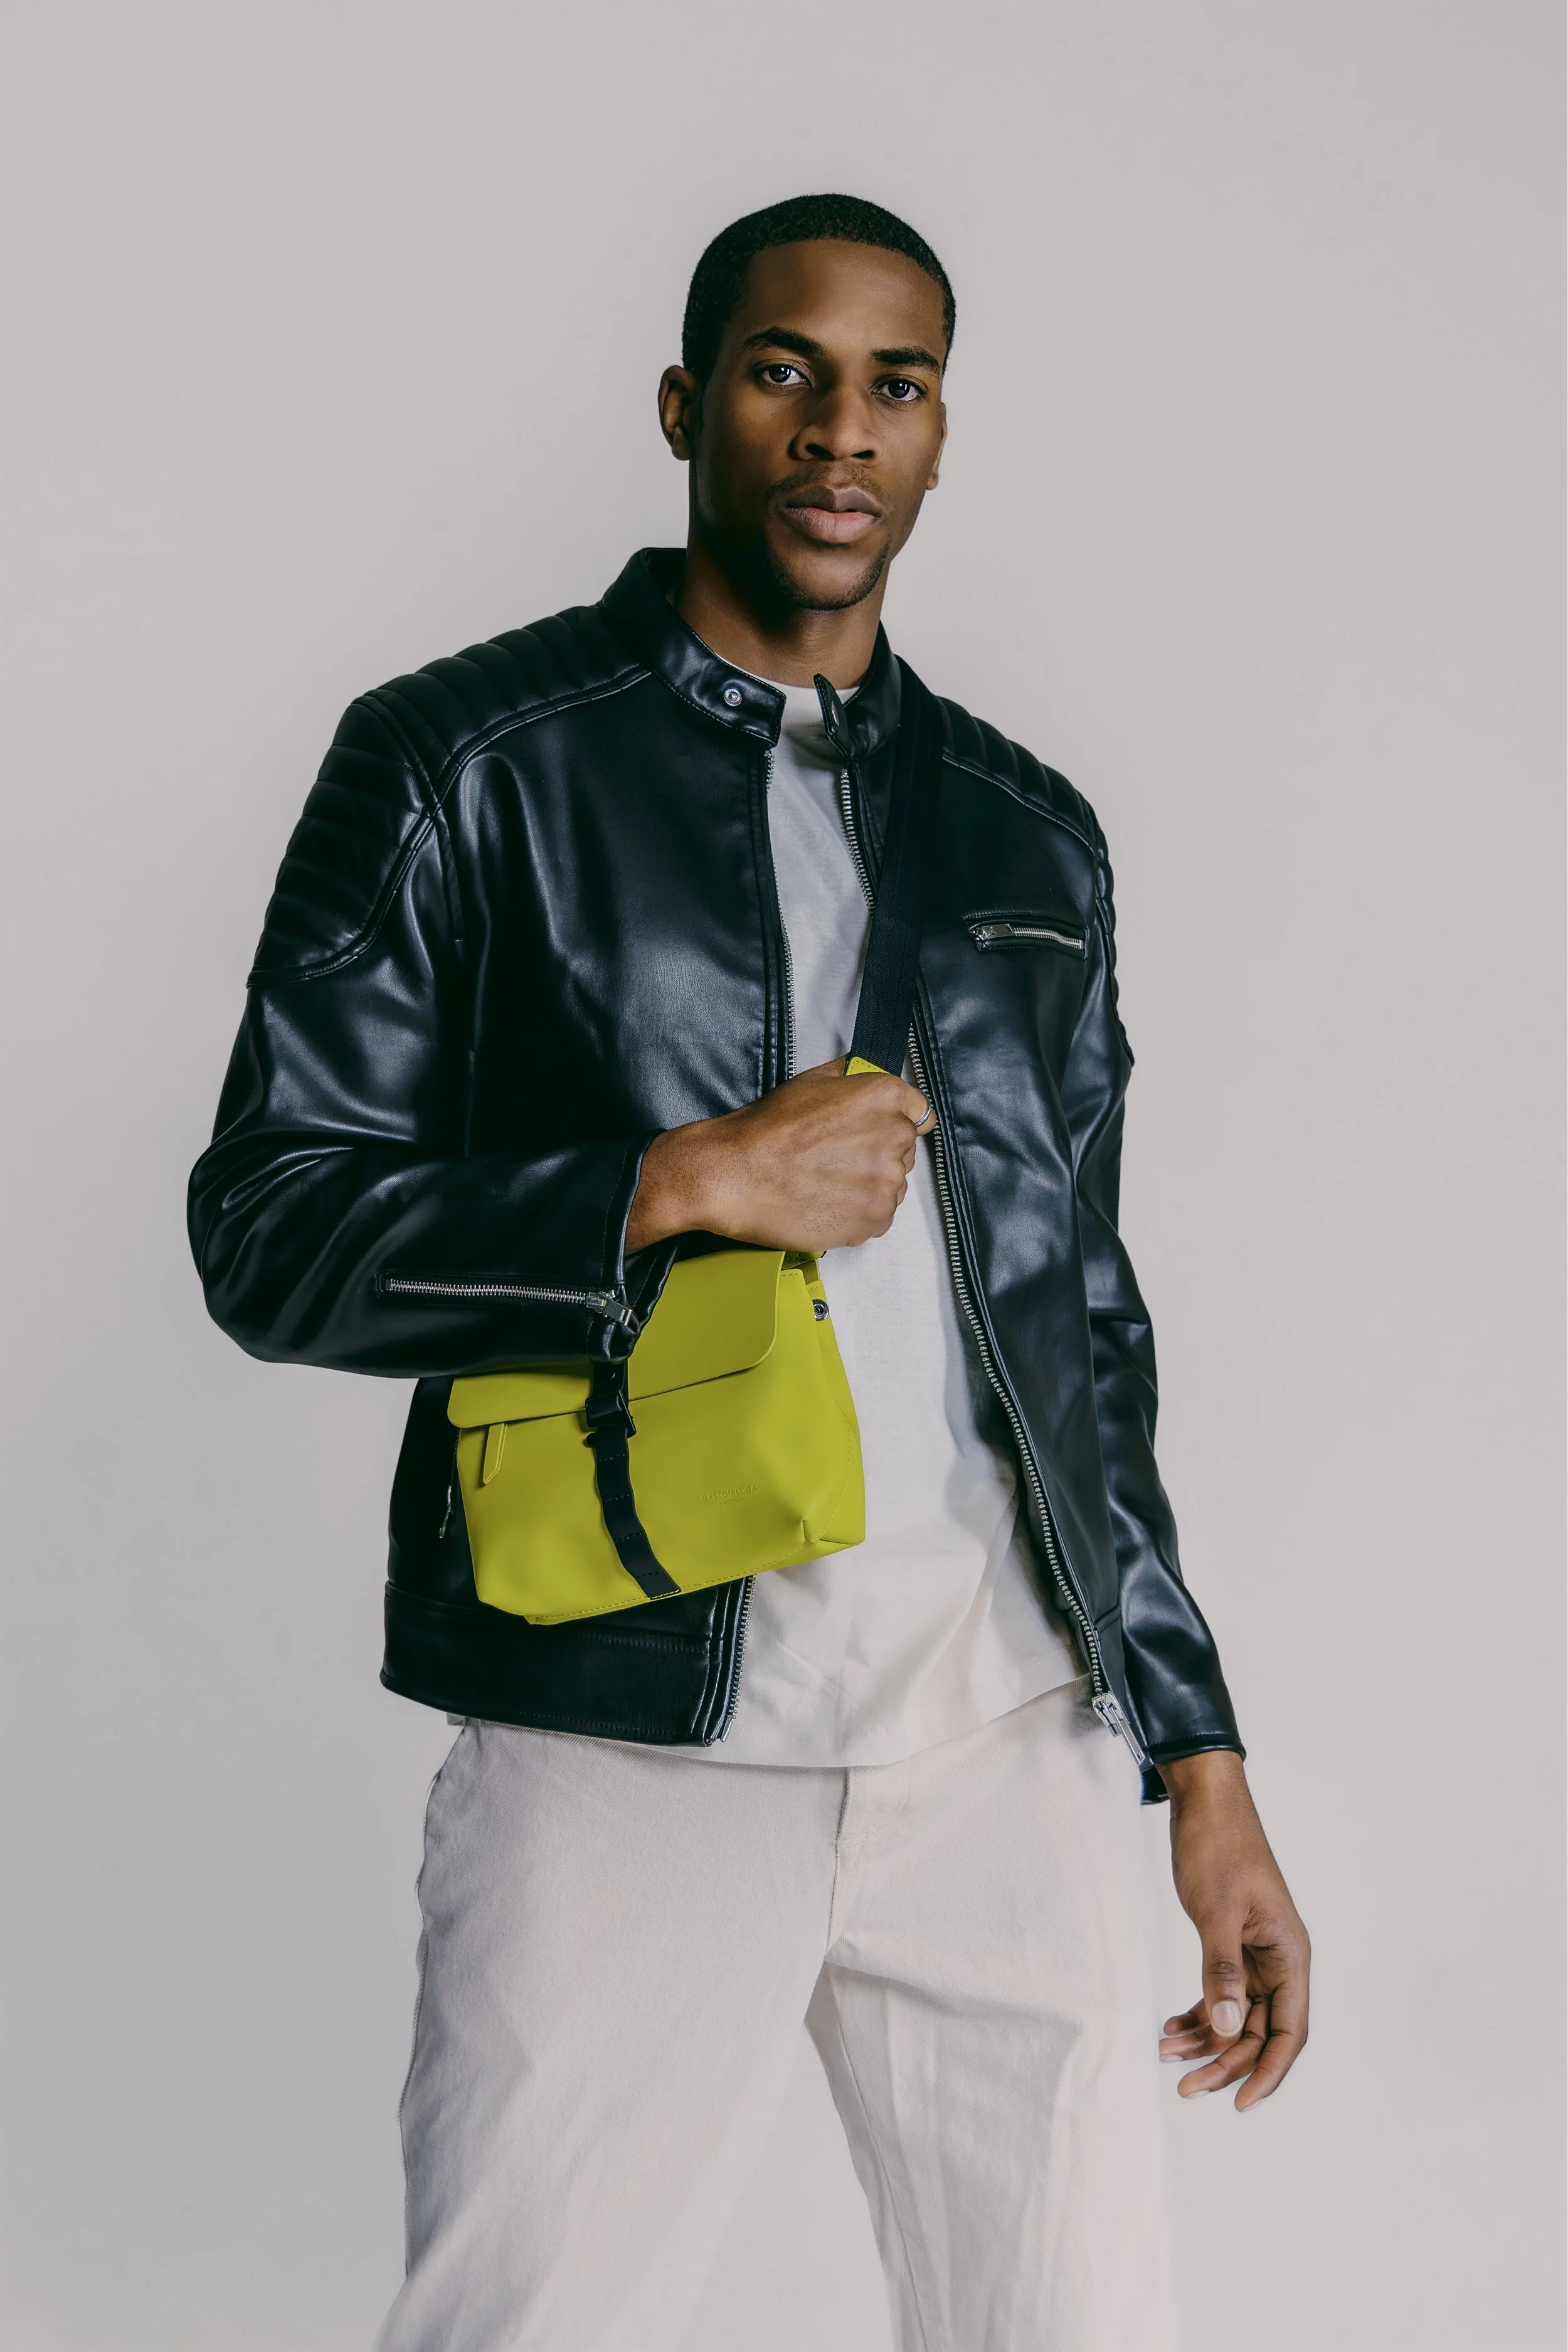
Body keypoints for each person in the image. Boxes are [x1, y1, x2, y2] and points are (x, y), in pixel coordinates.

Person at [189, 191, 1310, 2352]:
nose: (838, 431)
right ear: (689, 402)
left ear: (940, 431)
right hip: (623, 1736)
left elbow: (1082, 1325)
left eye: (895, 383)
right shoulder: (460, 761)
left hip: (989, 1745)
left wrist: (1202, 1761)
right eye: (788, 369)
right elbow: (268, 1228)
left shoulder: (1025, 834)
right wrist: (667, 1184)